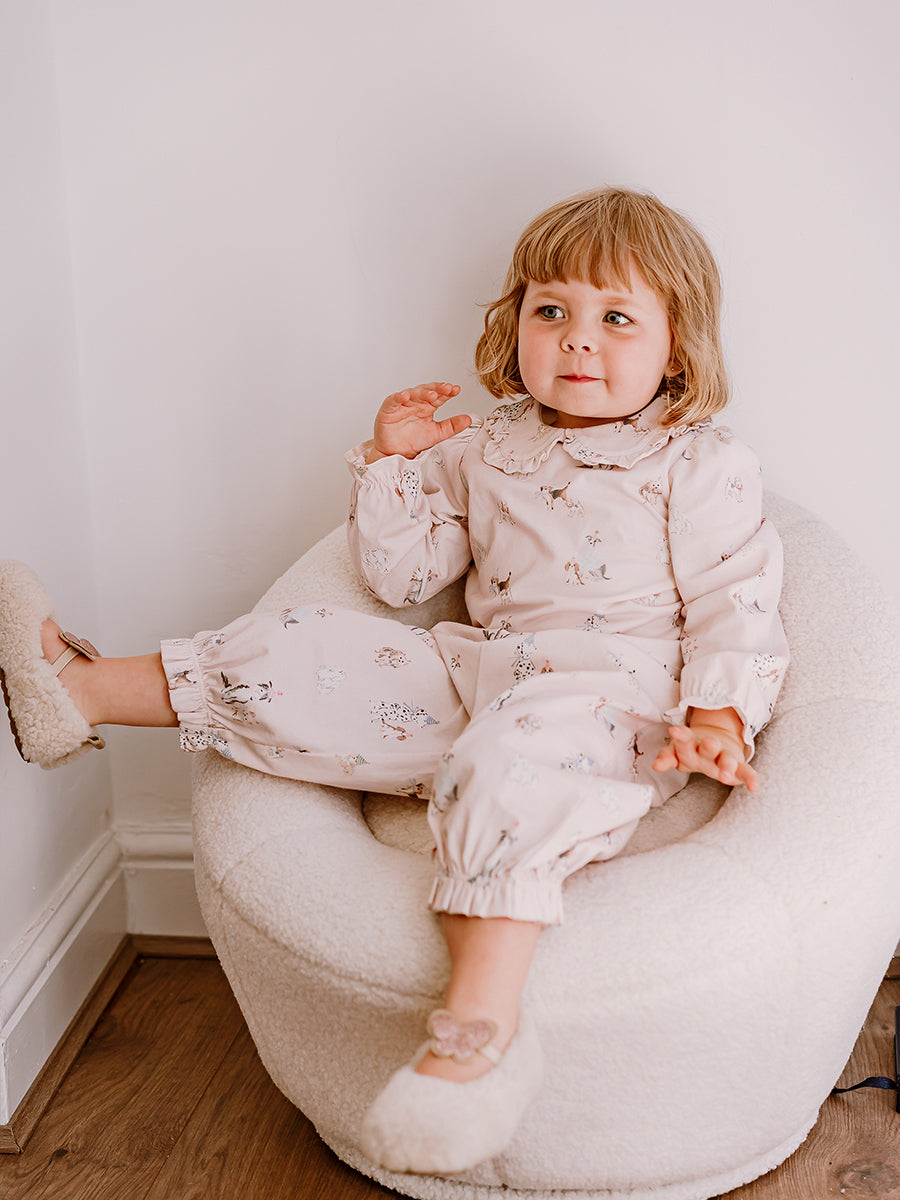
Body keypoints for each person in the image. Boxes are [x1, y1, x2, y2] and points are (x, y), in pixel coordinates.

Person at [0, 187, 789, 1176]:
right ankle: (77, 692)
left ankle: (478, 1034)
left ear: (677, 348)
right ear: (516, 321)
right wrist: (391, 465)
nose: (578, 340)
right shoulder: (484, 447)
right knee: (308, 645)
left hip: (609, 705)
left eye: (617, 318)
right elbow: (401, 579)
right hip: (480, 676)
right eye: (552, 310)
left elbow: (735, 597)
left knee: (511, 763)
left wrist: (717, 715)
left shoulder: (698, 461)